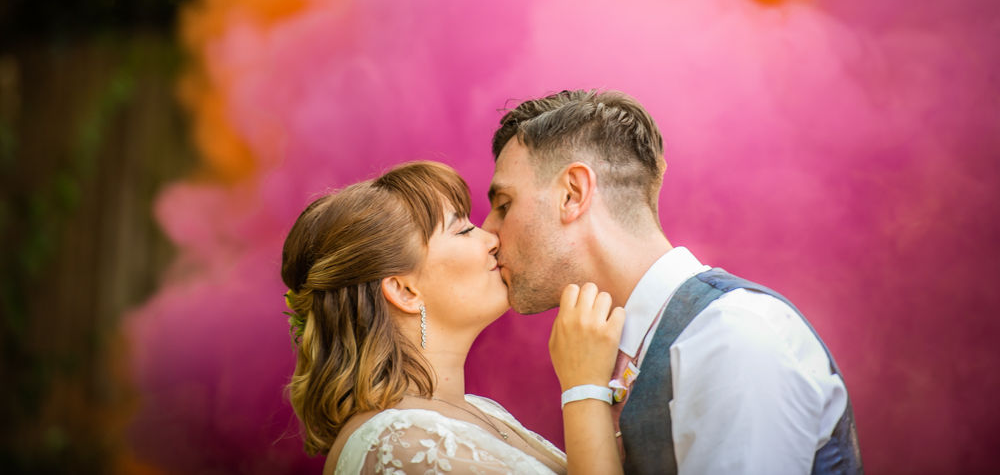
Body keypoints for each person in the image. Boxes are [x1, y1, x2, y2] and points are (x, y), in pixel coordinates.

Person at [483, 89, 863, 475]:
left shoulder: (732, 336)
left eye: (503, 205)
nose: (488, 232)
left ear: (572, 193)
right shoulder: (612, 351)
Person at [281, 160, 625, 474]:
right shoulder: (399, 444)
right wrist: (583, 390)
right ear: (405, 291)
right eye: (462, 230)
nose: (492, 238)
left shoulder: (478, 412)